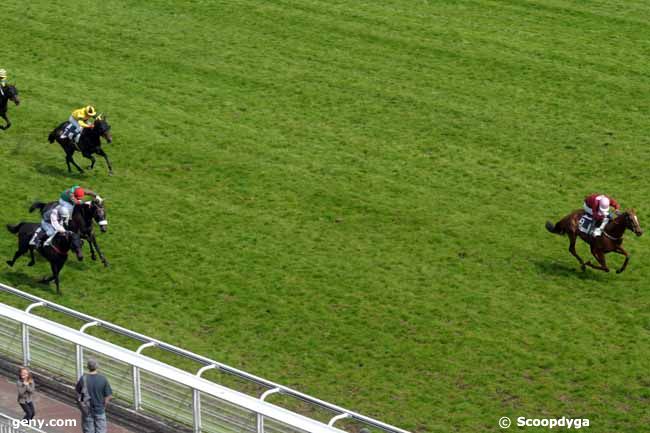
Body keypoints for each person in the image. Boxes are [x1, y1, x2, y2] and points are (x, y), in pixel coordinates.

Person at [75, 359, 112, 433]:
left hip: (87, 410)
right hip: (99, 409)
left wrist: (82, 404)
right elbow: (108, 396)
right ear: (97, 366)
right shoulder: (103, 379)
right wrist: (104, 406)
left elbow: (78, 393)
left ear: (88, 367)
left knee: (88, 430)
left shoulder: (83, 378)